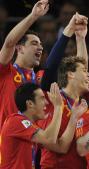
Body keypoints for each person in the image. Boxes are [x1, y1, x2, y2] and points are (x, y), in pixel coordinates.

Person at [0, 0, 49, 131]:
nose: (40, 47)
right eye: (34, 43)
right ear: (20, 48)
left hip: (34, 143)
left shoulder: (41, 77)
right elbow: (9, 43)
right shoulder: (6, 71)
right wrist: (34, 16)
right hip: (6, 144)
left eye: (41, 45)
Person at [38, 57, 89, 169]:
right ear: (71, 74)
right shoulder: (54, 100)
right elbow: (50, 143)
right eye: (84, 70)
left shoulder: (82, 106)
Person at [0, 82, 63, 169]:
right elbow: (50, 138)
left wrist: (74, 117)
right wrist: (58, 107)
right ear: (30, 104)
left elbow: (61, 147)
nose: (47, 103)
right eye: (42, 98)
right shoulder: (16, 121)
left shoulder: (32, 127)